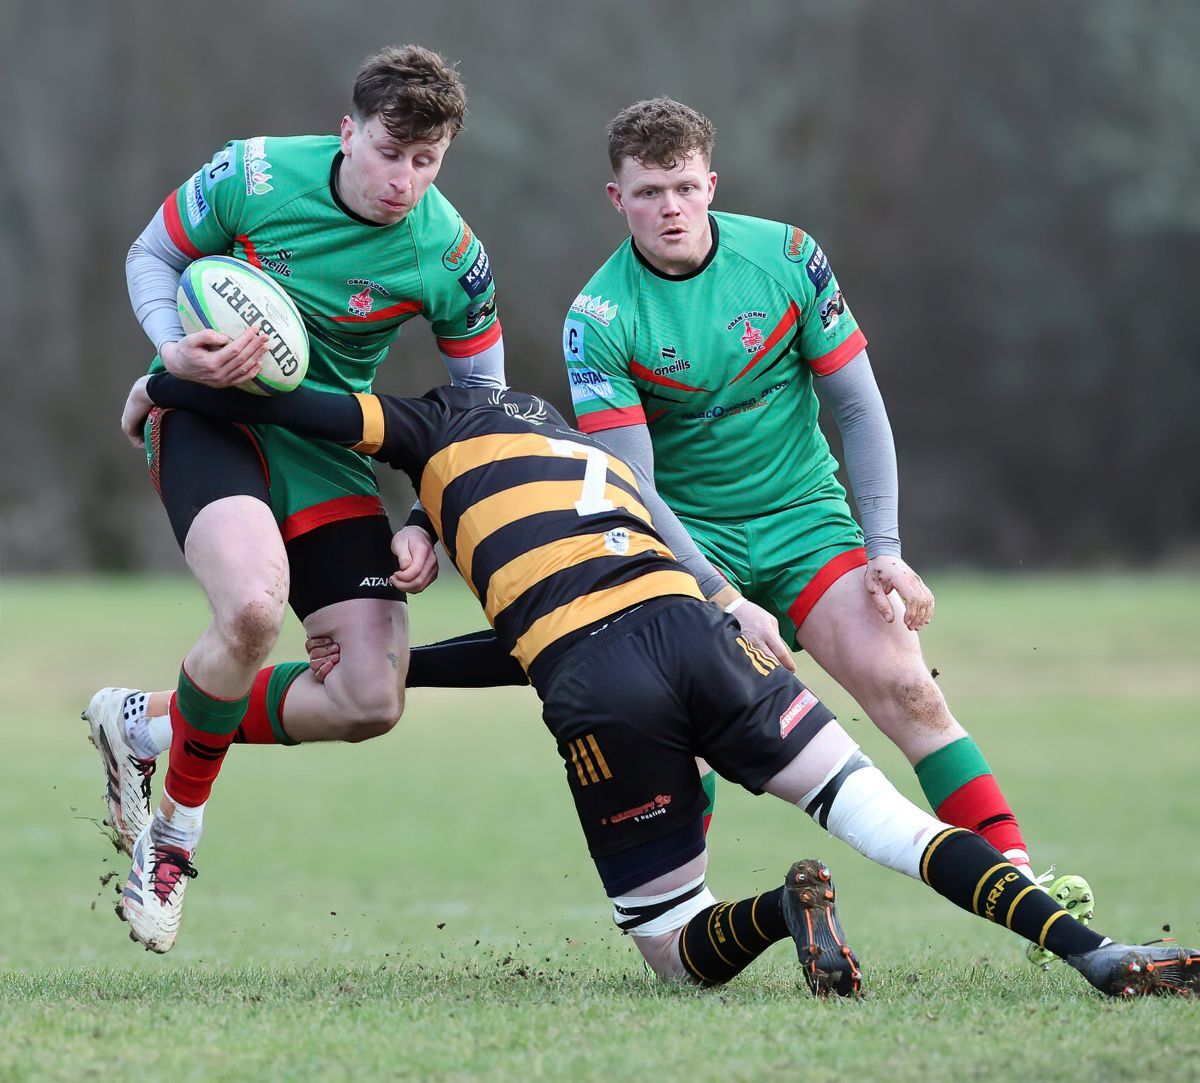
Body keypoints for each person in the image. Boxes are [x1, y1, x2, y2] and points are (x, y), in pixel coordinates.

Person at [116, 372, 1199, 999]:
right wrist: (419, 674)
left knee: (674, 948)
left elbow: (307, 410)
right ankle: (1093, 954)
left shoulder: (439, 424)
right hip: (702, 633)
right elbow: (546, 628)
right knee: (894, 825)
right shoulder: (600, 466)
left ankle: (779, 910)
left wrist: (169, 385)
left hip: (601, 685)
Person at [557, 97, 1092, 964]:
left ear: (711, 185)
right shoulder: (600, 319)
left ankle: (1021, 888)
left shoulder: (788, 258)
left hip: (807, 521)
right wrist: (723, 598)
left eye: (685, 186)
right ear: (615, 199)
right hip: (690, 544)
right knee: (668, 725)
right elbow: (637, 491)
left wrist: (885, 550)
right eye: (649, 191)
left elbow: (858, 406)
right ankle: (687, 922)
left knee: (908, 689)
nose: (671, 208)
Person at [88, 45, 505, 954]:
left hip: (325, 448)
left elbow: (478, 402)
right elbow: (152, 253)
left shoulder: (450, 252)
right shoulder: (254, 172)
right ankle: (173, 840)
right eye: (390, 153)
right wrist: (171, 348)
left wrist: (427, 516)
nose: (405, 181)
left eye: (426, 161)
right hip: (210, 416)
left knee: (368, 696)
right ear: (347, 132)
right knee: (250, 609)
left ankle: (147, 720)